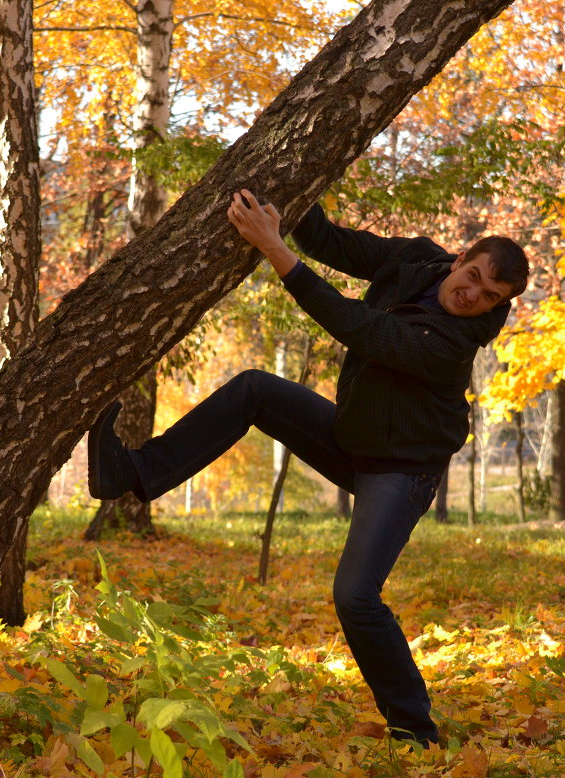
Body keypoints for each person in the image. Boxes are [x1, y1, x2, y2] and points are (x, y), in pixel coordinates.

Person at [89, 189, 529, 746]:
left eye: (491, 296)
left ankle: (415, 728)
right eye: (475, 277)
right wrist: (281, 191)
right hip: (352, 438)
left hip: (400, 473)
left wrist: (274, 251)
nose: (474, 296)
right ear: (462, 256)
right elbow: (330, 242)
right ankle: (129, 474)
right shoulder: (417, 258)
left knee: (355, 597)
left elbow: (360, 327)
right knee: (254, 389)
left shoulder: (453, 342)